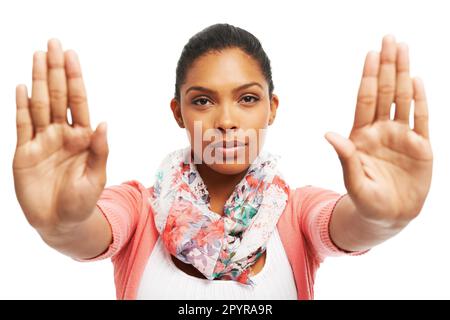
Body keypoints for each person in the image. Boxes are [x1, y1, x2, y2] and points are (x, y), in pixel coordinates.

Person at [12, 23, 433, 299]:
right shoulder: (140, 208)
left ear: (272, 108)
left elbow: (349, 225)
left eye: (248, 99)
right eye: (203, 101)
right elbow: (88, 230)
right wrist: (61, 223)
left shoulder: (296, 211)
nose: (227, 121)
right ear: (178, 113)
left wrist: (383, 219)